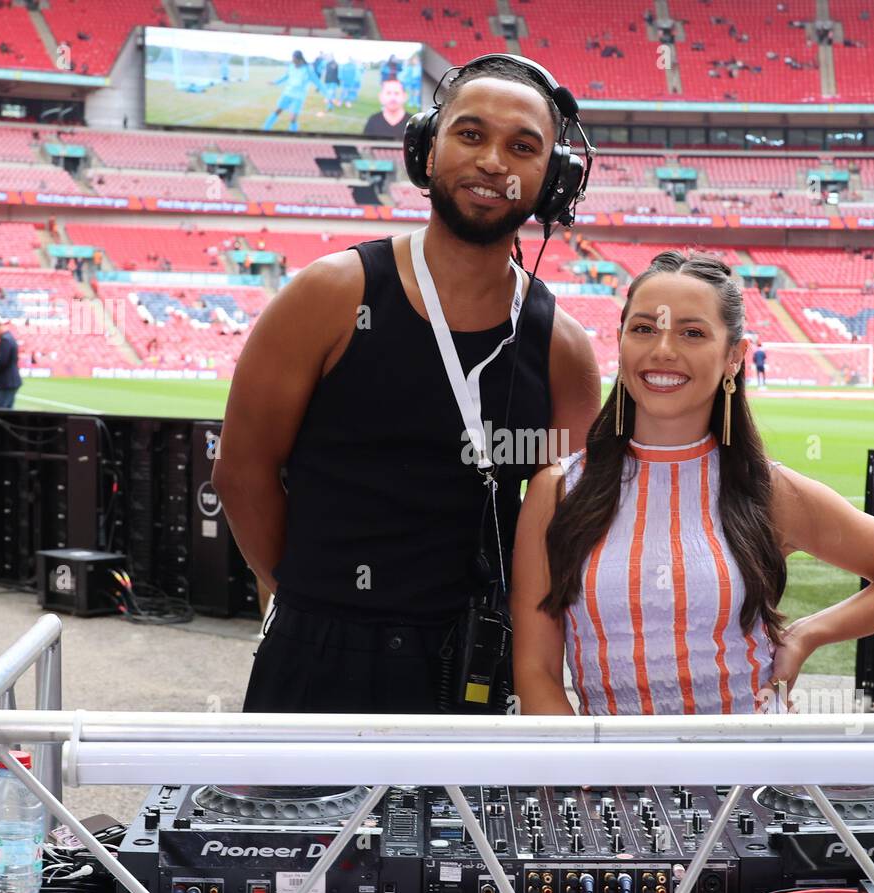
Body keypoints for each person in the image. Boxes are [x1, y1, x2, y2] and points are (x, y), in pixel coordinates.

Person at [215, 55, 601, 715]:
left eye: (523, 147)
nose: (492, 161)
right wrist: (303, 596)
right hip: (319, 654)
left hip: (478, 662)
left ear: (554, 181)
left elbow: (564, 525)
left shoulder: (563, 347)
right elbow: (243, 473)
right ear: (426, 150)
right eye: (470, 135)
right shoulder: (331, 294)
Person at [511, 252, 874, 715]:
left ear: (735, 357)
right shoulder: (557, 492)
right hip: (612, 782)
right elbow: (536, 672)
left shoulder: (769, 490)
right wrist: (594, 778)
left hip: (752, 777)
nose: (663, 350)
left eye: (693, 333)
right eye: (643, 328)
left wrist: (807, 633)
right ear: (619, 343)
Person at [263, 51, 316, 132]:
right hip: (287, 94)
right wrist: (275, 82)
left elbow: (318, 83)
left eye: (294, 60)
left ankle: (293, 135)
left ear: (300, 60)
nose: (293, 61)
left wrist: (329, 96)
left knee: (293, 119)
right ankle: (265, 129)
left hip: (298, 97)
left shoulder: (308, 69)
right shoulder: (291, 66)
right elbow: (286, 76)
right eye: (292, 59)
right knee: (277, 111)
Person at [0, 319, 21, 409]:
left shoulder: (5, 340)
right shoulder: (9, 338)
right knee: (8, 410)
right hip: (11, 380)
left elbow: (2, 362)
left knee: (0, 410)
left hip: (8, 380)